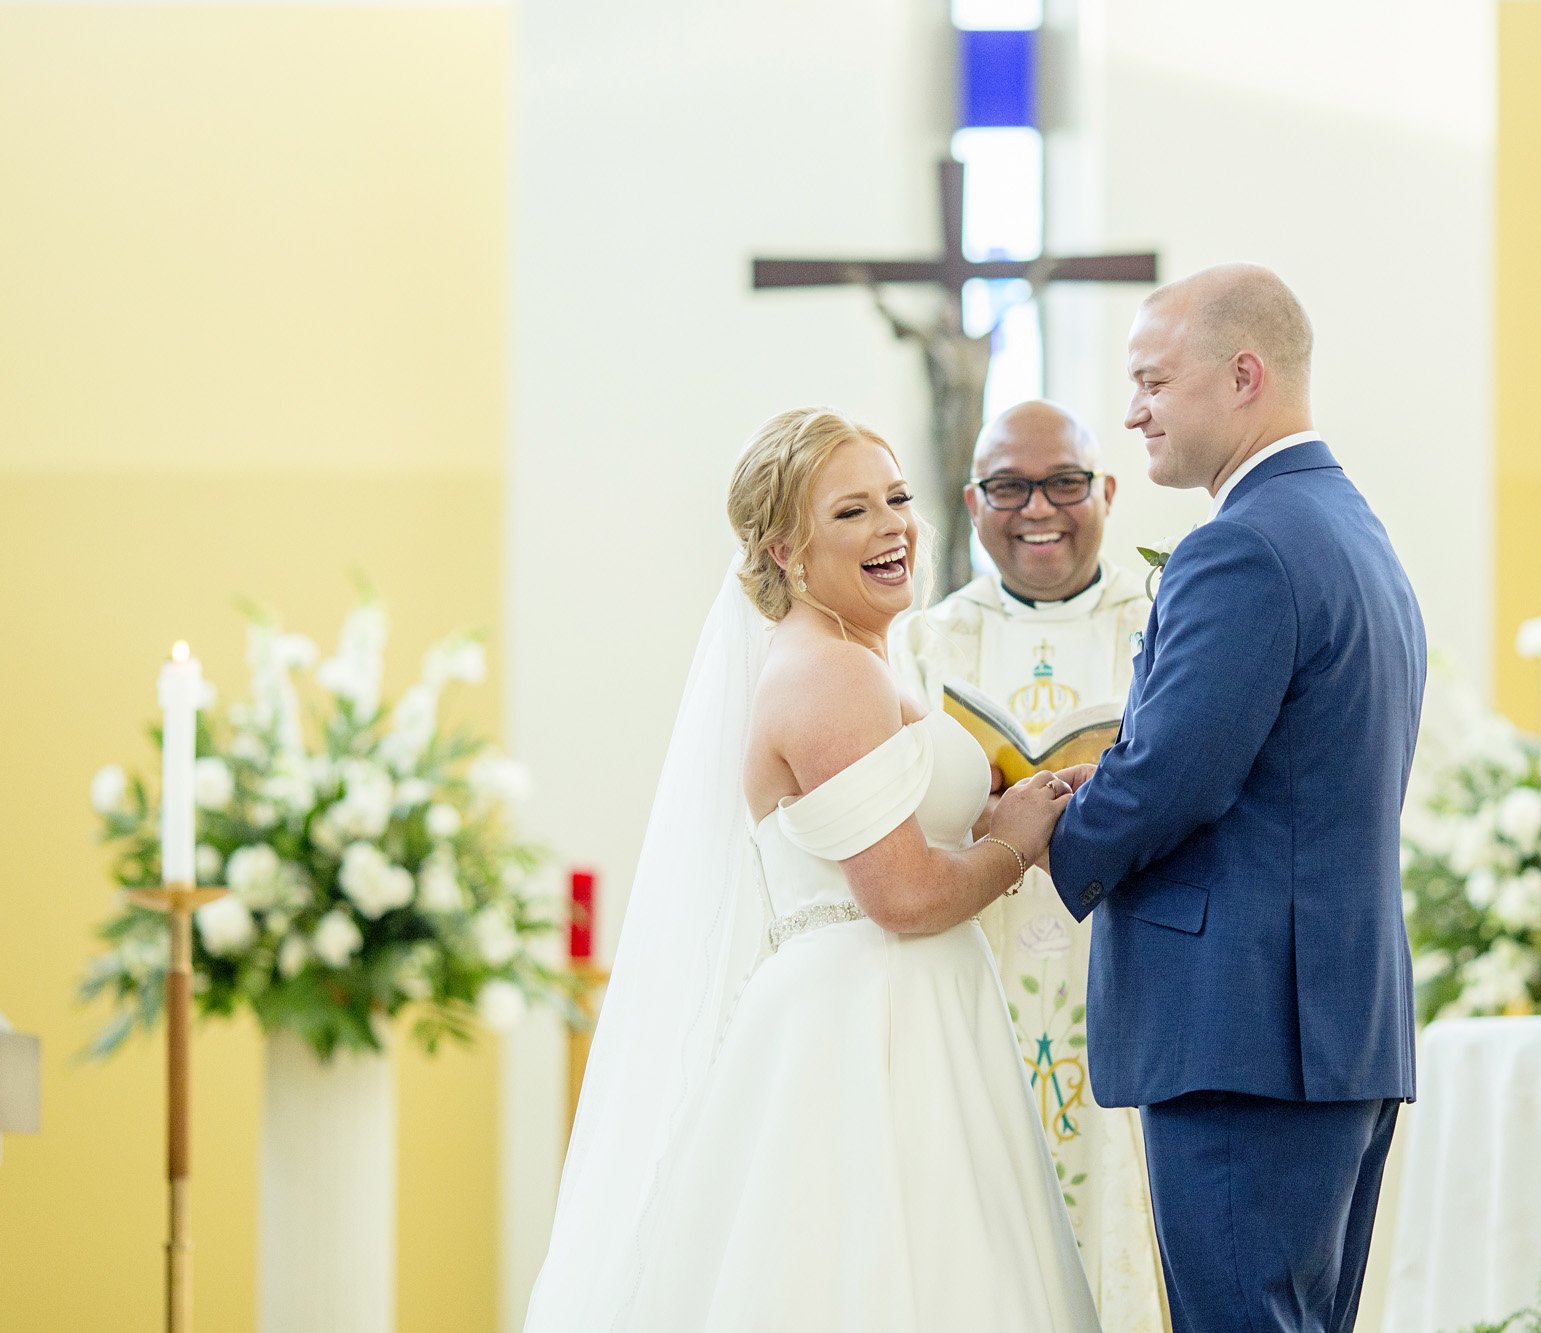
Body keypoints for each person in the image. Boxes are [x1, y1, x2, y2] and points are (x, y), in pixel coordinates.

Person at [525, 408, 1102, 1331]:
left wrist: (993, 815)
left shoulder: (855, 660)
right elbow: (904, 896)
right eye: (852, 512)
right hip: (866, 1026)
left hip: (904, 1004)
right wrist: (1014, 840)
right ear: (787, 550)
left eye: (898, 498)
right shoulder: (829, 674)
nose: (893, 527)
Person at [1046, 264, 1427, 1333]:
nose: (1131, 412)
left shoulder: (1243, 544)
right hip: (1330, 1026)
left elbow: (1176, 774)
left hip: (1243, 1031)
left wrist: (1047, 832)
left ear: (1243, 375)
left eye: (1152, 381)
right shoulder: (1351, 529)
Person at [889, 399, 1168, 1332]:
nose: (1037, 507)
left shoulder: (1167, 624)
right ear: (973, 502)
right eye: (1009, 485)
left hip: (1126, 975)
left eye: (1064, 482)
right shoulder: (928, 644)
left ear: (1109, 491)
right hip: (976, 979)